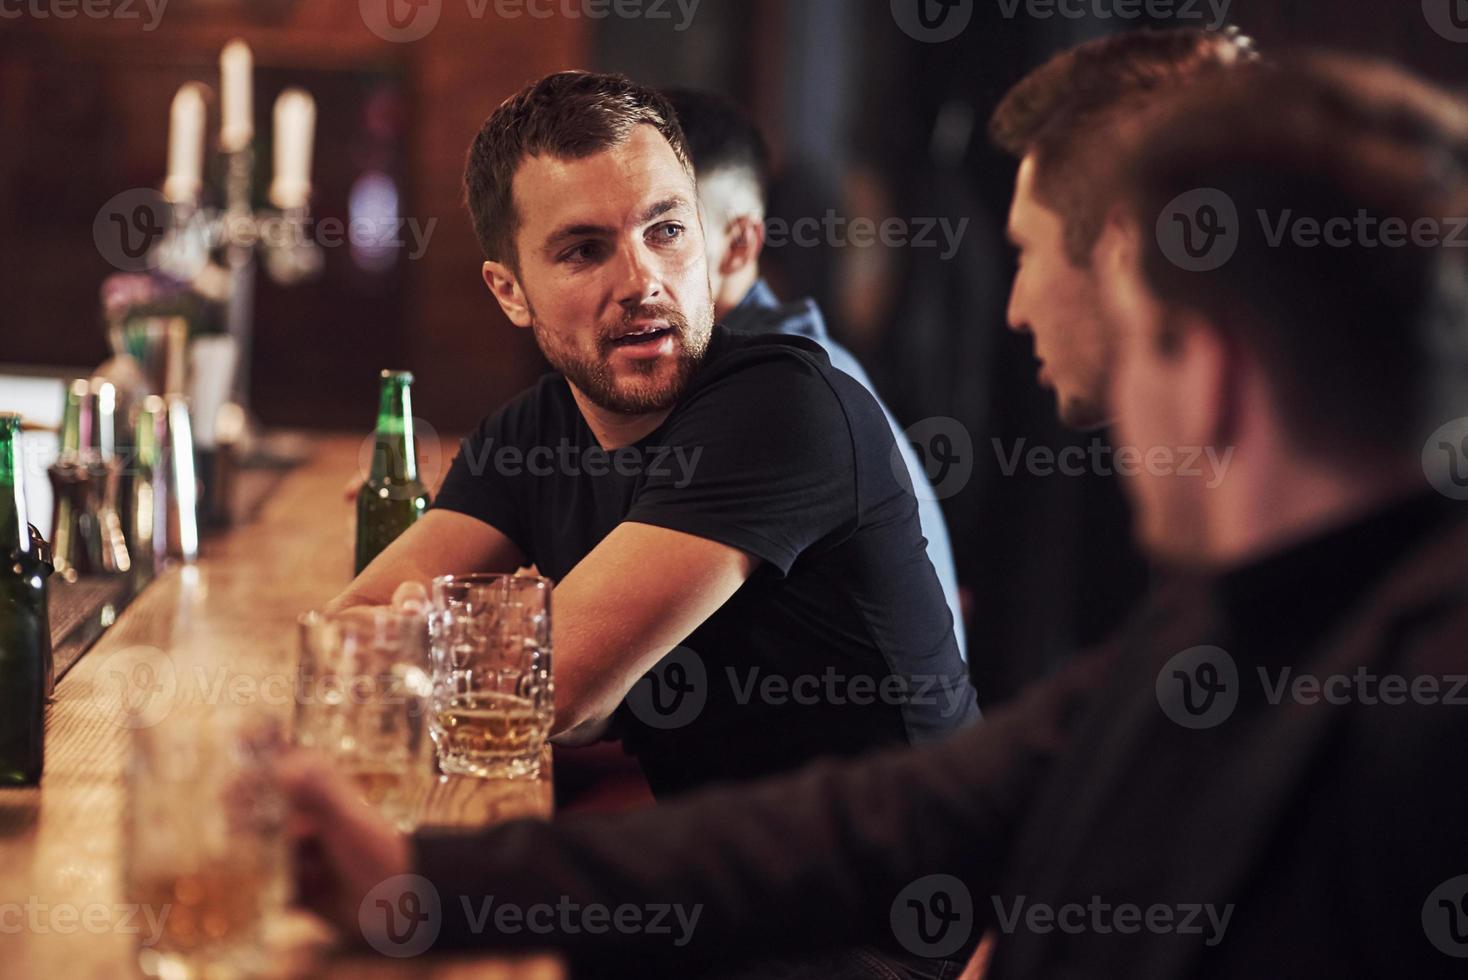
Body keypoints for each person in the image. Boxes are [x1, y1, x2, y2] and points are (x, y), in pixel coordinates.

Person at [279, 54, 1468, 979]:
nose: (1009, 312)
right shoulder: (1220, 630)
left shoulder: (1409, 706)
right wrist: (425, 876)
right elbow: (859, 822)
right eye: (584, 248)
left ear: (1204, 373)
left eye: (1050, 270)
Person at [327, 71, 977, 797]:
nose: (642, 280)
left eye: (665, 230)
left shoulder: (785, 408)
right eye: (583, 250)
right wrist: (494, 650)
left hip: (888, 885)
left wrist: (447, 639)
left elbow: (554, 690)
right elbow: (349, 632)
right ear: (509, 291)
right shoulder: (532, 431)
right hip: (719, 869)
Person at [664, 88, 969, 661]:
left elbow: (580, 679)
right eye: (590, 242)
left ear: (738, 245)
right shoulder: (709, 365)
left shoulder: (781, 386)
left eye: (666, 231)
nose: (632, 269)